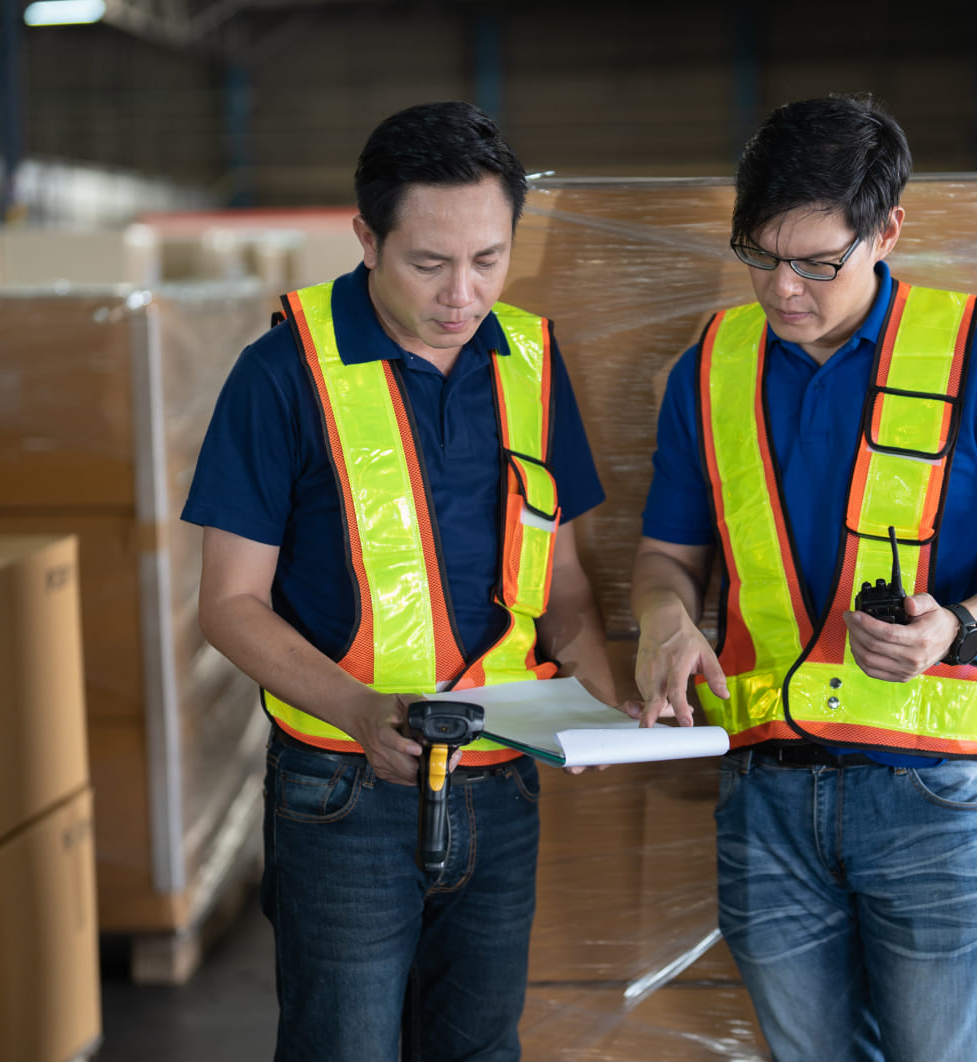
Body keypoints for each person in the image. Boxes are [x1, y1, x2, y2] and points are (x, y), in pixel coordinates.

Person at [628, 94, 977, 1061]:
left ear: (886, 231)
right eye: (760, 256)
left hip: (927, 795)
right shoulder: (708, 373)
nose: (783, 289)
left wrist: (957, 626)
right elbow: (668, 559)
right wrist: (664, 622)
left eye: (815, 262)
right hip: (764, 796)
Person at [185, 101, 614, 1062]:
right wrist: (356, 709)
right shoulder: (282, 375)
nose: (463, 294)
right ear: (366, 237)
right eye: (429, 263)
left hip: (501, 786)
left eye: (489, 260)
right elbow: (228, 602)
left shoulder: (533, 366)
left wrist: (598, 694)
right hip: (344, 792)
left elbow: (568, 585)